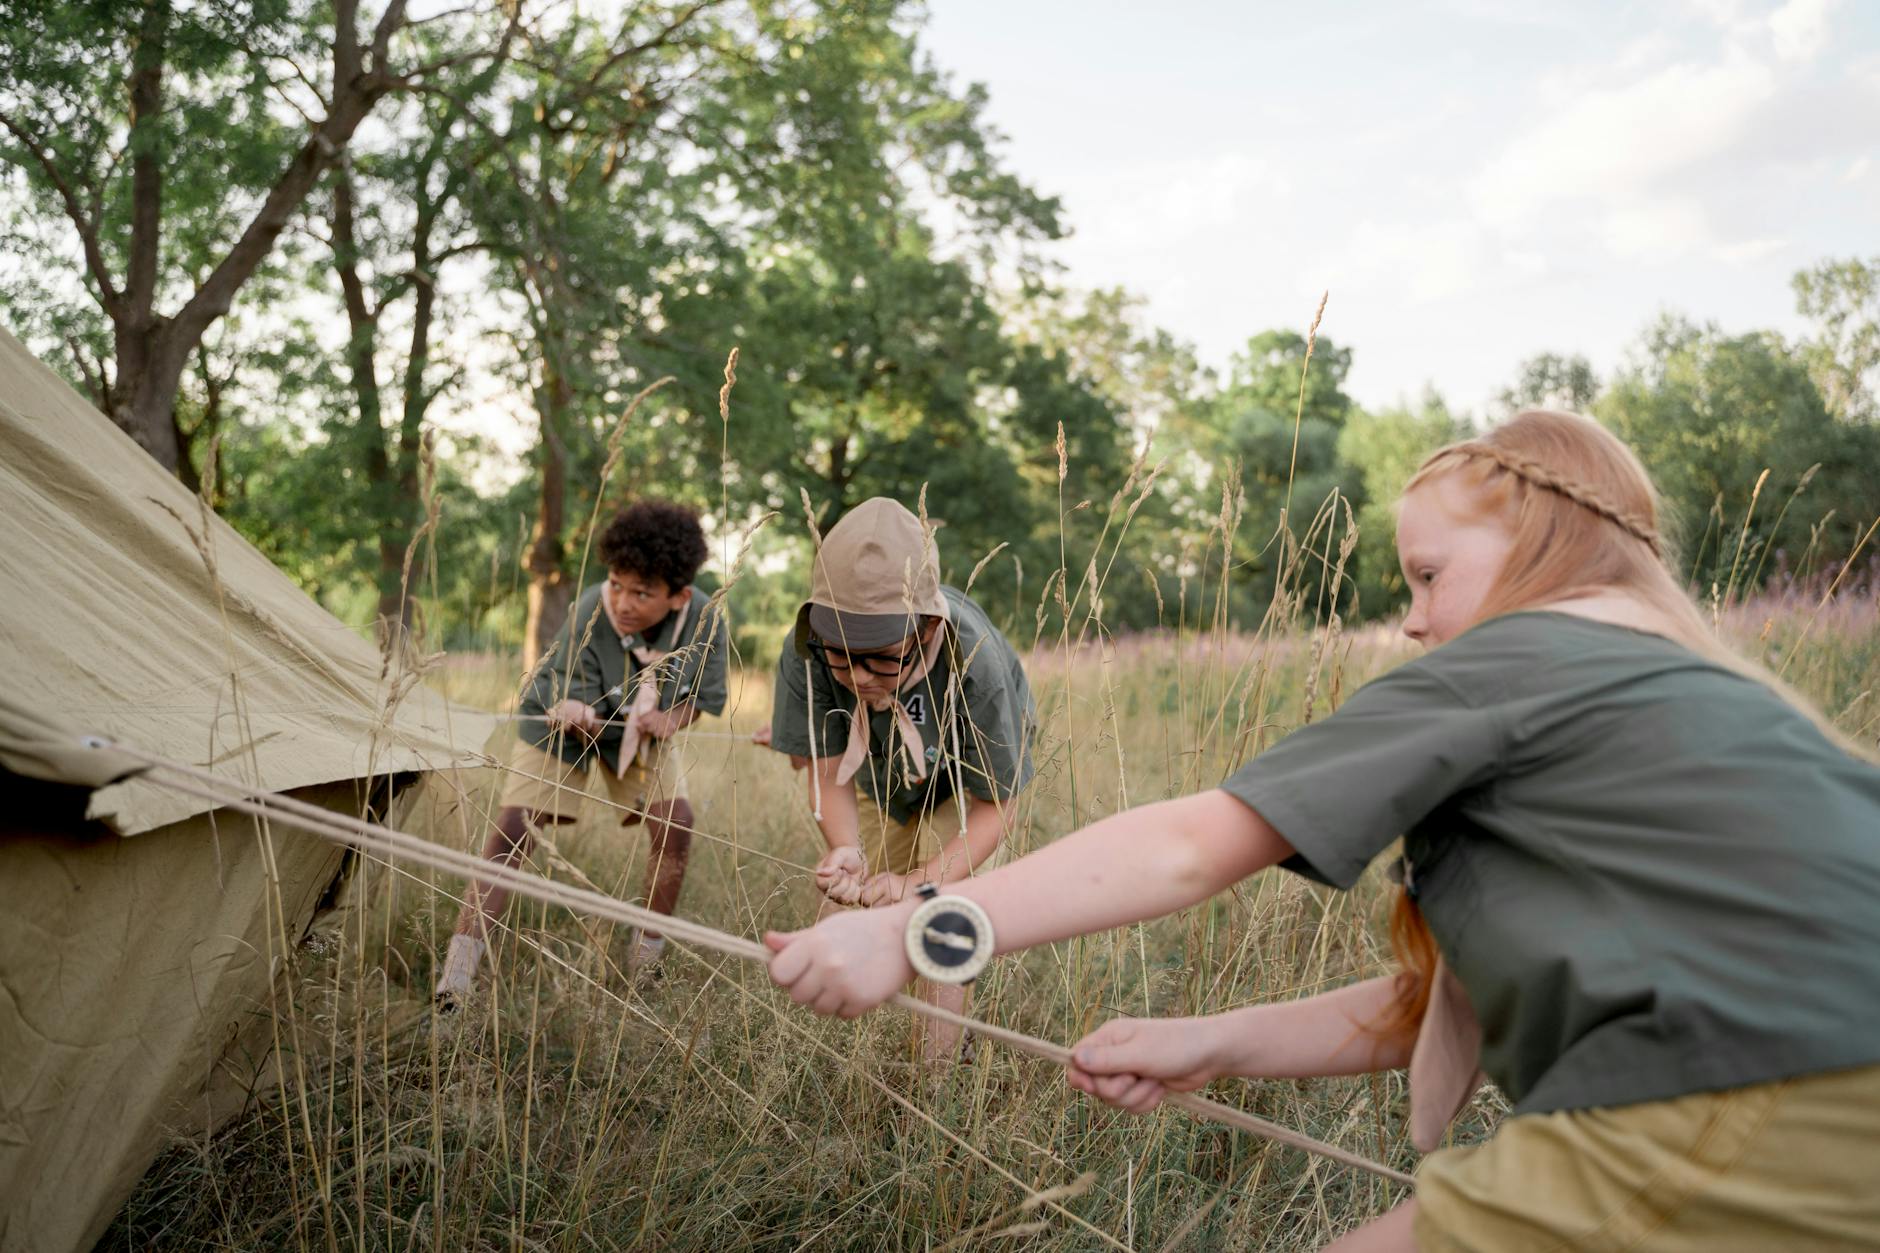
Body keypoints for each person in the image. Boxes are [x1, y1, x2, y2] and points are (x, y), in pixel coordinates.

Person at [764, 411, 1880, 1249]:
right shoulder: (1697, 701)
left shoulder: (1519, 656)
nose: (1412, 616)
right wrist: (1211, 1041)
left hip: (1734, 1101)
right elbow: (1423, 1008)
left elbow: (1188, 845)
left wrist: (912, 928)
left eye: (1428, 574)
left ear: (1542, 544)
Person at [766, 496, 1036, 1064]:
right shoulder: (806, 653)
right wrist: (844, 847)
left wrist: (923, 881)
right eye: (840, 657)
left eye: (881, 658)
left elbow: (998, 806)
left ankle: (935, 1080)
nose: (858, 677)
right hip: (876, 776)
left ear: (928, 628)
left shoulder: (975, 660)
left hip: (964, 790)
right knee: (862, 894)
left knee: (936, 907)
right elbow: (822, 765)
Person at [436, 500, 728, 1006]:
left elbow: (703, 698)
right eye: (617, 583)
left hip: (642, 733)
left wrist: (672, 718)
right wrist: (570, 706)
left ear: (679, 596)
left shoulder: (705, 619)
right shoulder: (593, 604)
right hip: (565, 724)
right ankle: (457, 976)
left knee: (676, 824)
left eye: (643, 592)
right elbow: (560, 676)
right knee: (512, 829)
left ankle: (643, 969)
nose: (624, 601)